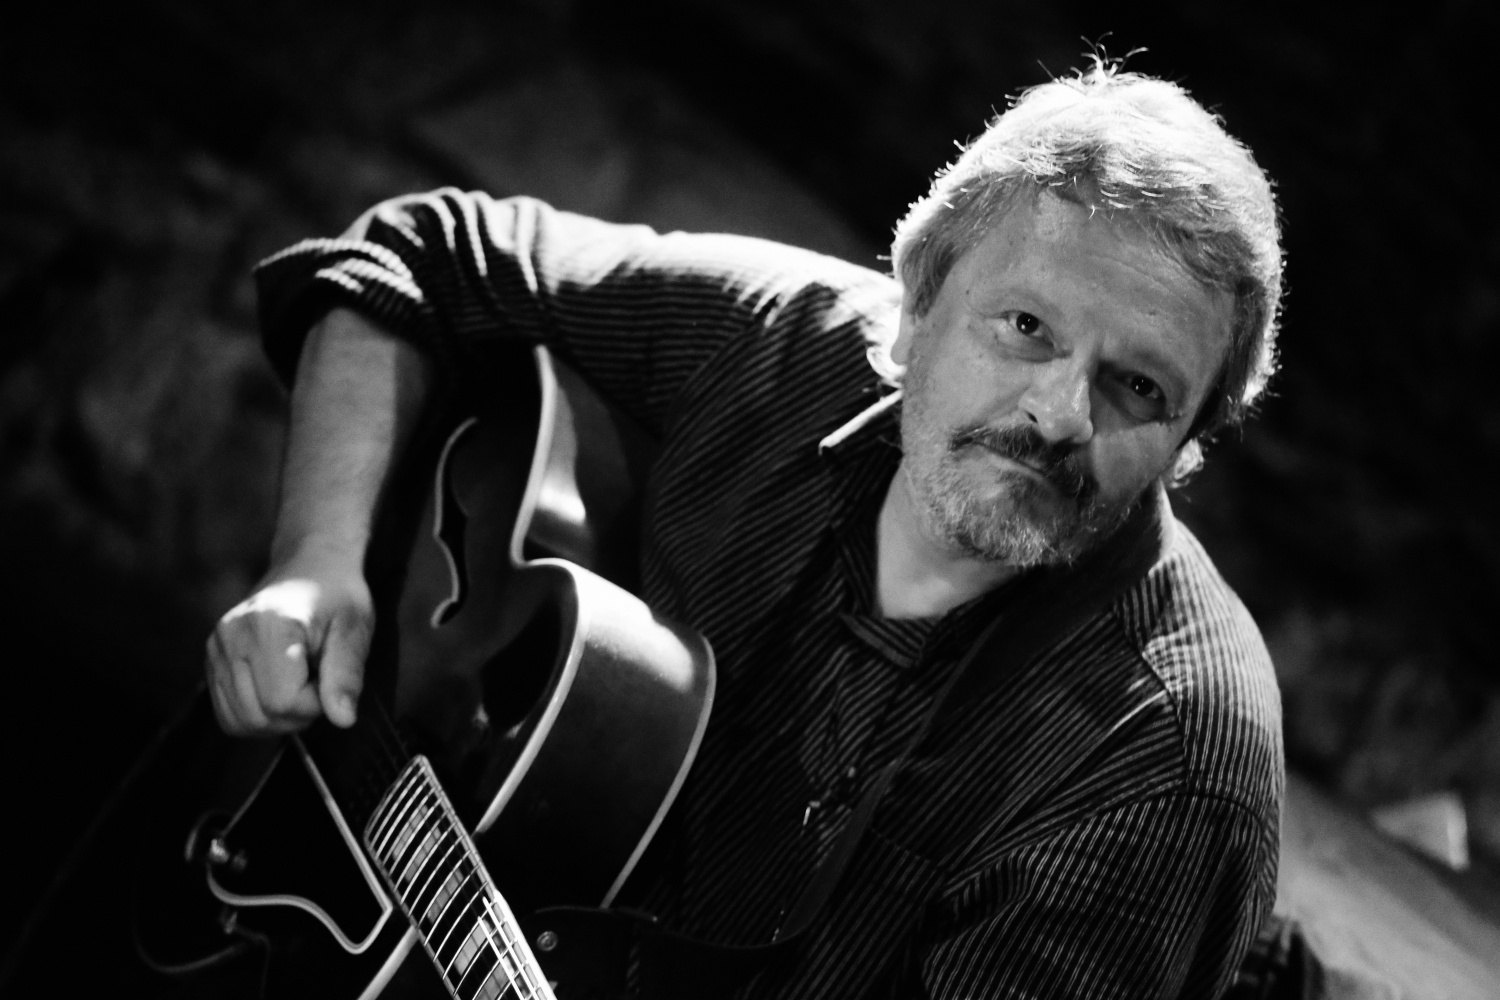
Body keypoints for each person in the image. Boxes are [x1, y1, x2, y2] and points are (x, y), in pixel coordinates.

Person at [206, 57, 1286, 999]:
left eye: (1139, 388)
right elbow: (420, 255)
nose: (1060, 414)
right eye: (1026, 326)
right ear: (916, 306)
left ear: (1188, 444)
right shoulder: (777, 344)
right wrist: (315, 563)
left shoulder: (1159, 775)